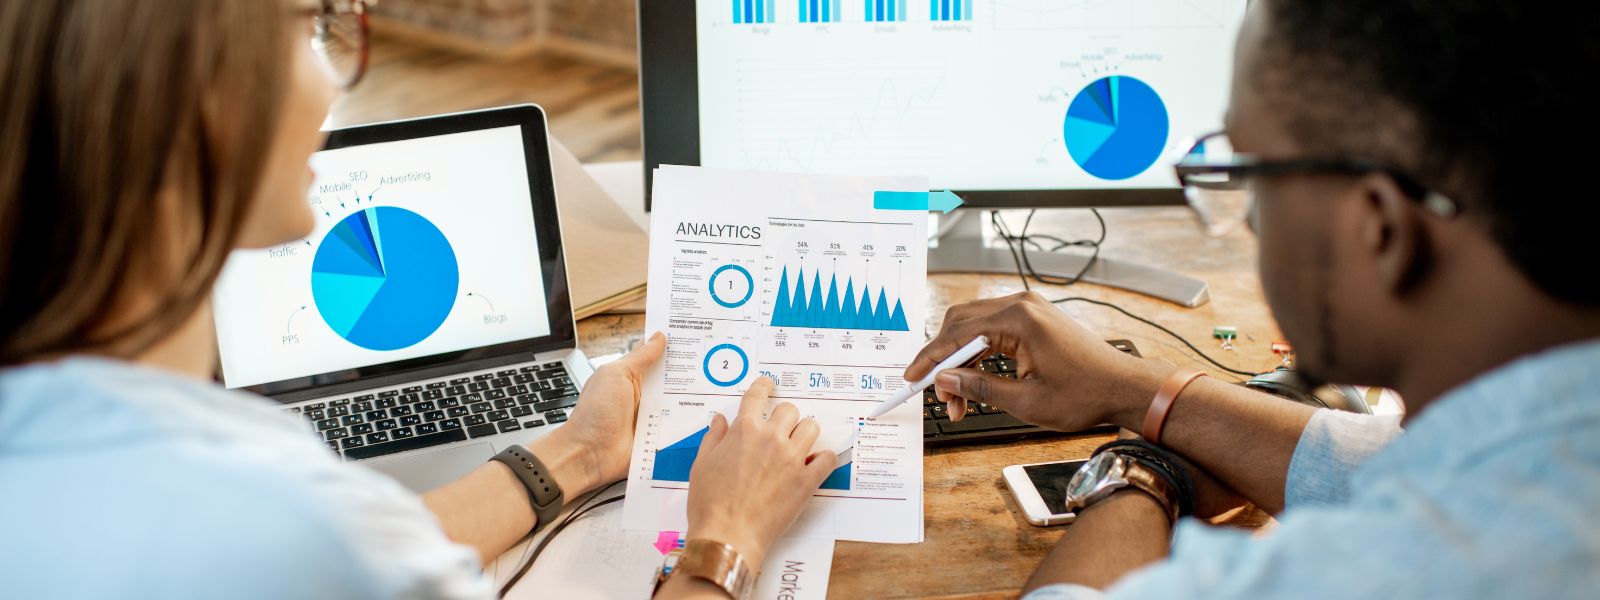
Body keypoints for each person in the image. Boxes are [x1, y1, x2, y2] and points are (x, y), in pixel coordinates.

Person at [0, 1, 831, 598]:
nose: (329, 79)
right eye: (313, 26)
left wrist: (581, 452)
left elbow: (369, 544)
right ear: (214, 103)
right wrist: (725, 540)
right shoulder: (283, 522)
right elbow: (337, 548)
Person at [907, 0, 1600, 597]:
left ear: (1378, 228)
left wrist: (1136, 477)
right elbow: (1379, 458)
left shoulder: (1416, 567)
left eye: (1252, 173)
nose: (1249, 219)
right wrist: (1129, 388)